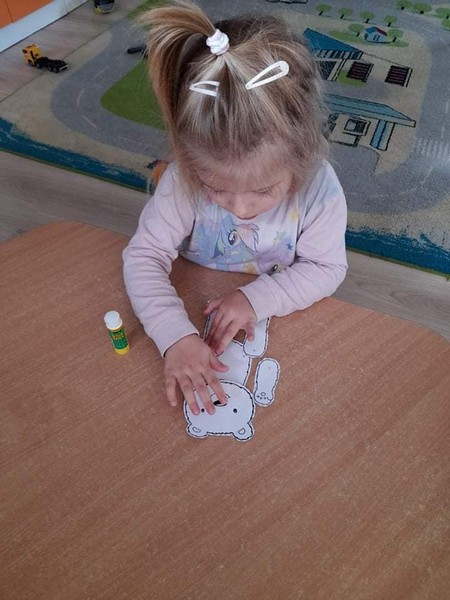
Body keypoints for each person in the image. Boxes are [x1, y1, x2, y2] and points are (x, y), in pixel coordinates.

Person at [123, 0, 348, 418]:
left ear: (302, 159)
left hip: (277, 318)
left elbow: (327, 268)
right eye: (216, 189)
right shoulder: (182, 179)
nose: (241, 208)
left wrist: (258, 298)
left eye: (263, 191)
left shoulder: (319, 189)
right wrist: (174, 335)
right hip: (194, 288)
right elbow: (144, 256)